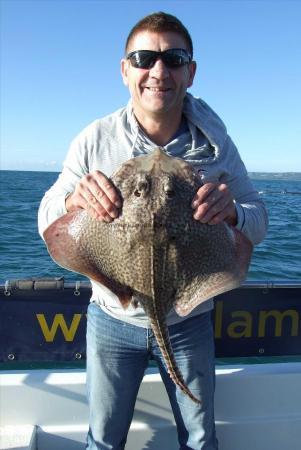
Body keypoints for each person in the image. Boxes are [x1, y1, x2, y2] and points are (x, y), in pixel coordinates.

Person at [38, 11, 268, 450]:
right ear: (125, 70)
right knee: (103, 441)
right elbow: (47, 216)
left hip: (189, 320)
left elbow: (258, 219)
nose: (158, 71)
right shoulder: (94, 139)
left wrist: (233, 213)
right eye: (144, 58)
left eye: (174, 58)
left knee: (201, 440)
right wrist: (73, 201)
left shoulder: (217, 144)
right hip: (112, 317)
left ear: (190, 72)